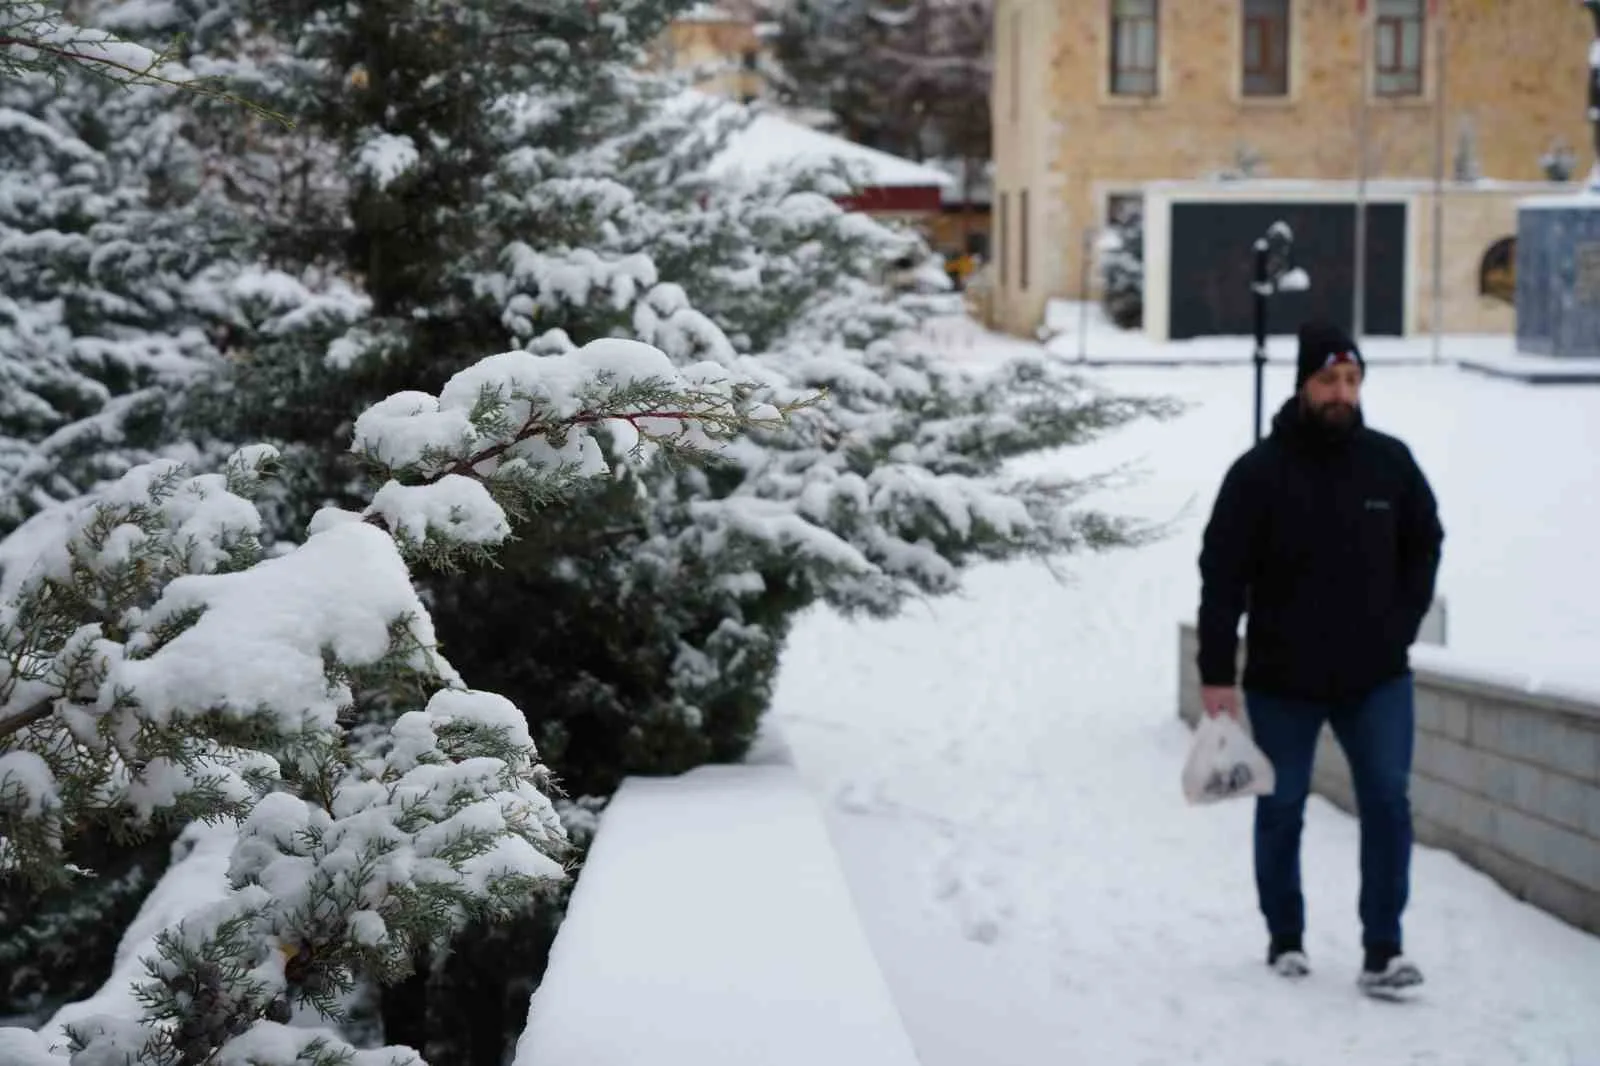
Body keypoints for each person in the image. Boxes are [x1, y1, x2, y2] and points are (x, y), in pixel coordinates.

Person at [1195, 319, 1444, 997]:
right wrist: (1217, 675)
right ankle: (1285, 938)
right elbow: (1221, 577)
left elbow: (1425, 542)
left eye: (1352, 380)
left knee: (1389, 805)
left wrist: (1402, 624)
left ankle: (1383, 951)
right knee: (1282, 809)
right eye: (1329, 379)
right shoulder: (1258, 474)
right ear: (1304, 384)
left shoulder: (1390, 464)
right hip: (1284, 682)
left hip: (1377, 680)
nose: (1342, 392)